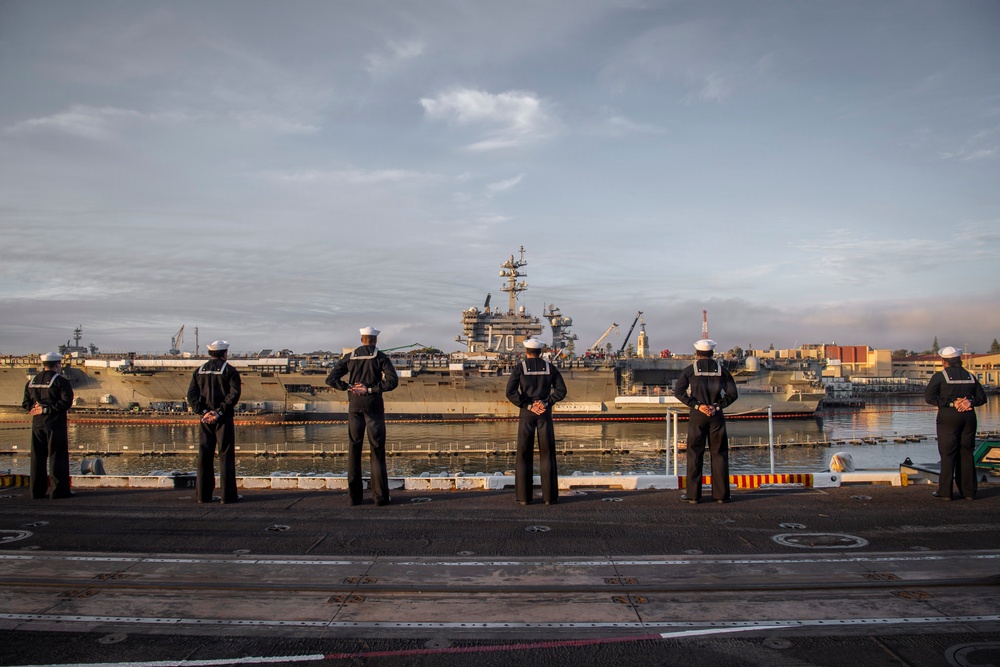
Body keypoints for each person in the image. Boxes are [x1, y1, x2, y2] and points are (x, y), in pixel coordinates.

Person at [326, 327, 399, 506]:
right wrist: (370, 389)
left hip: (355, 406)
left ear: (361, 340)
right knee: (377, 449)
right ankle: (380, 497)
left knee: (354, 448)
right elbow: (392, 381)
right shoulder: (380, 357)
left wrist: (349, 387)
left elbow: (331, 379)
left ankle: (354, 497)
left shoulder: (350, 356)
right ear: (375, 341)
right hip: (373, 406)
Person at [673, 339, 738, 504]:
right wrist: (716, 407)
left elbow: (679, 392)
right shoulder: (722, 371)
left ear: (696, 353)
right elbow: (733, 394)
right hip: (716, 416)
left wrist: (696, 405)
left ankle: (693, 495)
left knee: (694, 453)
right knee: (719, 454)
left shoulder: (690, 370)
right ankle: (722, 495)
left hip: (697, 415)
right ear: (712, 353)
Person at [505, 337, 567, 505]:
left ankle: (524, 498)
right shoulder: (550, 367)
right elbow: (561, 390)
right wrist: (547, 402)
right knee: (547, 454)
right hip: (544, 413)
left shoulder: (520, 368)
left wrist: (528, 404)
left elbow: (510, 392)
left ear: (526, 352)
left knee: (524, 454)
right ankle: (549, 497)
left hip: (527, 413)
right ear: (541, 352)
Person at [924, 346, 987, 500]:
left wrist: (952, 403)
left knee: (947, 453)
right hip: (968, 417)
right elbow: (982, 398)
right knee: (966, 452)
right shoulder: (970, 376)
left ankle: (945, 492)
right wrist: (969, 402)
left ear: (944, 361)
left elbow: (930, 397)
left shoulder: (940, 377)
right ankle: (969, 492)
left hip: (948, 418)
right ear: (959, 359)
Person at [186, 340, 242, 504]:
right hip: (223, 419)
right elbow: (234, 394)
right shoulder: (230, 371)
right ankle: (228, 496)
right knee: (225, 456)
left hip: (205, 420)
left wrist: (203, 412)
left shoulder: (199, 371)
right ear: (225, 353)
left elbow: (191, 396)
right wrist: (219, 412)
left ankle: (203, 495)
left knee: (204, 455)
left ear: (210, 353)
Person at [22, 352, 75, 499]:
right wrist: (47, 409)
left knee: (37, 458)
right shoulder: (61, 381)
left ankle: (36, 492)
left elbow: (25, 403)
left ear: (43, 364)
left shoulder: (31, 381)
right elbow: (66, 402)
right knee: (57, 457)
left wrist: (34, 409)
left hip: (37, 424)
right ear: (58, 365)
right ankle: (58, 491)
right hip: (55, 424)